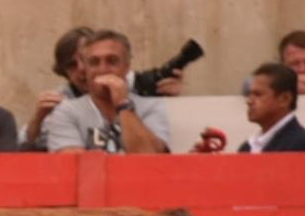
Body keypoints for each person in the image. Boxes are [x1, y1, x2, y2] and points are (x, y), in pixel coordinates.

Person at [23, 27, 184, 151]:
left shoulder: (151, 106)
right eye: (94, 62)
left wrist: (123, 104)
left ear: (127, 66)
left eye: (112, 61)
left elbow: (152, 161)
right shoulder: (64, 109)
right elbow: (74, 168)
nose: (103, 69)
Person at [239, 62, 305, 152]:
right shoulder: (247, 147)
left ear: (284, 99)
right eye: (249, 94)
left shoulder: (302, 143)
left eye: (258, 94)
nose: (249, 101)